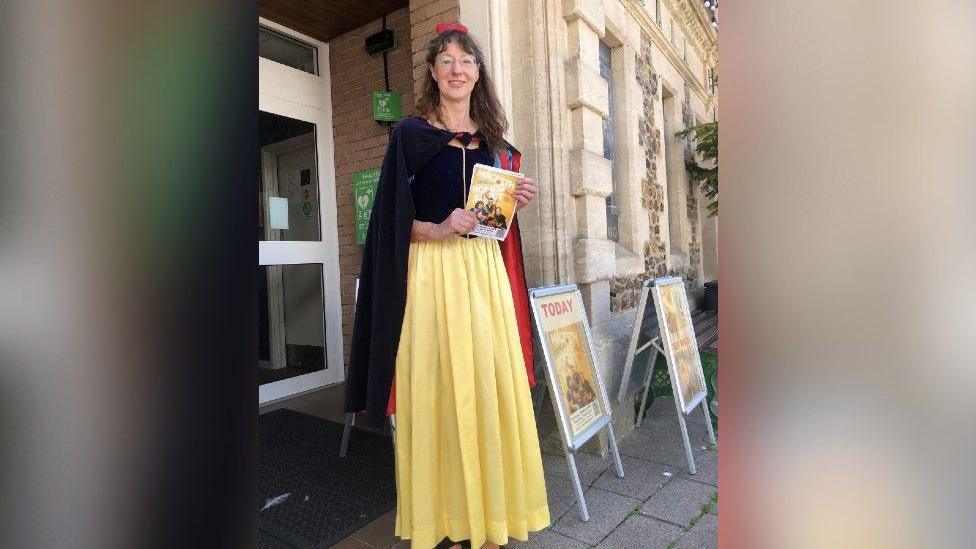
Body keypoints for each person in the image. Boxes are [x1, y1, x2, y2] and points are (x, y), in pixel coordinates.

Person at [344, 22, 550, 549]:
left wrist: (512, 200)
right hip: (431, 279)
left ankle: (491, 517)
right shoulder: (409, 136)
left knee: (487, 392)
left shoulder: (497, 145)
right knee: (438, 397)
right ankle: (448, 523)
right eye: (447, 61)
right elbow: (389, 224)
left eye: (467, 61)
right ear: (432, 73)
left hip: (484, 278)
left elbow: (494, 224)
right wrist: (438, 227)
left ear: (478, 72)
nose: (458, 70)